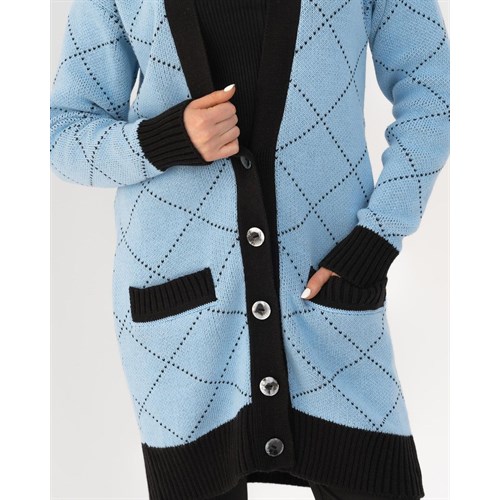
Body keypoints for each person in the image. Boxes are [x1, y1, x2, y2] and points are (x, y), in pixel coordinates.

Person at [50, 0, 450, 499]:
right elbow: (62, 134)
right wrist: (163, 140)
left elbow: (433, 95)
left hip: (326, 290)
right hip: (182, 318)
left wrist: (378, 238)